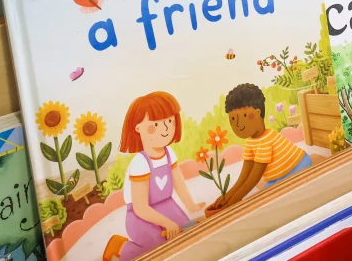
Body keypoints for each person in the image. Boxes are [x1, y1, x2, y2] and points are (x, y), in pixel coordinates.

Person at [103, 92, 204, 261]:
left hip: (168, 207)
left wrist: (191, 205)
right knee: (158, 248)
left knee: (185, 236)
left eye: (169, 121)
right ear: (137, 128)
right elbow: (140, 208)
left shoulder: (169, 153)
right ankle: (120, 246)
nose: (165, 129)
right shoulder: (140, 163)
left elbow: (178, 183)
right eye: (155, 124)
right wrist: (167, 223)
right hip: (140, 216)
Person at [205, 84, 312, 215]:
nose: (238, 124)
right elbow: (244, 176)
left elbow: (253, 179)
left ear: (258, 113)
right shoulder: (251, 142)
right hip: (276, 177)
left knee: (273, 200)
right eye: (233, 119)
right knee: (267, 196)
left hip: (298, 165)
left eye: (244, 115)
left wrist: (232, 202)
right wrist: (226, 196)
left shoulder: (266, 141)